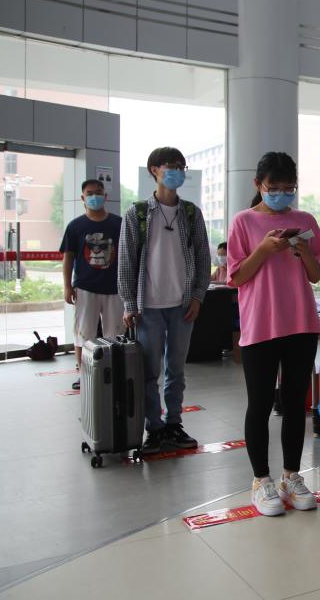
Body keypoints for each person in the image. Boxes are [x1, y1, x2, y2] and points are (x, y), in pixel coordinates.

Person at [227, 152, 320, 517]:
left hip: (300, 322)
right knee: (259, 403)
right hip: (260, 325)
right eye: (274, 187)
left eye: (289, 188)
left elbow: (316, 275)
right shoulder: (243, 221)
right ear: (259, 185)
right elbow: (236, 277)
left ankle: (291, 476)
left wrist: (303, 250)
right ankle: (261, 480)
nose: (282, 194)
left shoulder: (305, 220)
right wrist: (264, 249)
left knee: (295, 402)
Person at [118, 147, 211, 455]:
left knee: (176, 371)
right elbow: (126, 262)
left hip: (183, 305)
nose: (177, 172)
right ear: (154, 170)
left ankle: (173, 423)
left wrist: (198, 296)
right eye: (170, 166)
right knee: (149, 373)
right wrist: (129, 304)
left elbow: (203, 257)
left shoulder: (191, 213)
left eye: (181, 167)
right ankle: (154, 428)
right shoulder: (138, 214)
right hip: (148, 307)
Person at [60, 179, 124, 390]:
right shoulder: (75, 226)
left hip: (115, 288)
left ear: (105, 196)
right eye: (89, 193)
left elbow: (127, 256)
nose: (94, 196)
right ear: (82, 198)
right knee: (84, 334)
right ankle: (84, 375)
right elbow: (68, 258)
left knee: (115, 334)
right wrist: (67, 286)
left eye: (98, 192)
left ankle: (114, 374)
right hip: (85, 288)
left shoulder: (119, 224)